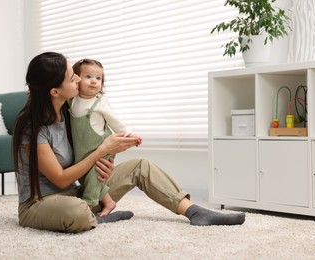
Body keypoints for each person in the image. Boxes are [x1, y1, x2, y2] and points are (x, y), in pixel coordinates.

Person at [13, 51, 246, 233]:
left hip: (78, 193)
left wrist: (103, 166)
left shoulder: (70, 112)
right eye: (71, 76)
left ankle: (195, 212)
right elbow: (60, 178)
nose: (77, 79)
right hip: (41, 204)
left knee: (141, 166)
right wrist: (101, 151)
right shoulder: (31, 130)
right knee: (76, 212)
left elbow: (86, 154)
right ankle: (95, 216)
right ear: (55, 91)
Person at [69, 58, 142, 216]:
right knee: (83, 177)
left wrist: (130, 135)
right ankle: (109, 201)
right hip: (82, 150)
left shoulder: (100, 102)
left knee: (94, 178)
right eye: (88, 77)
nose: (94, 81)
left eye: (98, 78)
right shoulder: (72, 100)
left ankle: (87, 209)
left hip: (102, 148)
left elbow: (115, 122)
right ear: (76, 79)